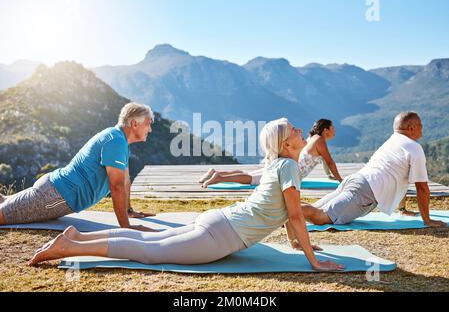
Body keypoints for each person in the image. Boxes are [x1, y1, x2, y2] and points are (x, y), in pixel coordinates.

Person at [28, 118, 345, 272]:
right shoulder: (288, 168)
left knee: (149, 242)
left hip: (220, 222)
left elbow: (286, 212)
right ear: (286, 144)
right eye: (295, 132)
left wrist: (294, 242)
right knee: (149, 252)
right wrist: (313, 261)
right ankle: (69, 245)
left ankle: (77, 238)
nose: (303, 132)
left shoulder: (280, 164)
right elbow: (292, 213)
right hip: (223, 233)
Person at [0, 103, 156, 231]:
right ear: (135, 123)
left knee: (4, 201)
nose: (150, 129)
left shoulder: (119, 139)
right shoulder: (116, 142)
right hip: (56, 196)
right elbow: (116, 186)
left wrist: (128, 211)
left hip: (54, 189)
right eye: (148, 124)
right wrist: (126, 227)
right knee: (3, 215)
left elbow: (125, 180)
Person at [301, 112, 447, 228]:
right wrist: (427, 220)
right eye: (420, 125)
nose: (422, 128)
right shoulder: (414, 148)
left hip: (355, 180)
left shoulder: (392, 141)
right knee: (319, 217)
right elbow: (421, 188)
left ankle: (284, 213)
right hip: (365, 191)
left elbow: (401, 180)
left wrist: (402, 209)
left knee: (312, 209)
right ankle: (281, 214)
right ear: (412, 128)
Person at [199, 119, 343, 187]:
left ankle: (215, 172)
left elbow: (324, 162)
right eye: (332, 128)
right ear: (325, 130)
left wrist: (330, 175)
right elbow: (329, 161)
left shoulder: (312, 139)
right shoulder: (319, 141)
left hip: (284, 164)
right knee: (252, 179)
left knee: (252, 175)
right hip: (287, 170)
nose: (334, 131)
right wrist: (340, 180)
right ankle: (219, 178)